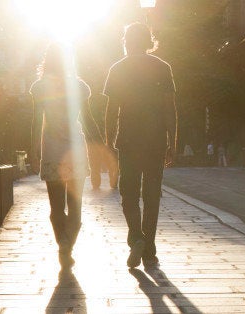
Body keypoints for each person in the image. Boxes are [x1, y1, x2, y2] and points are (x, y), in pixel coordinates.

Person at [104, 22, 177, 268]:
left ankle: (136, 236)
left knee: (129, 194)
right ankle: (149, 249)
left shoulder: (118, 69)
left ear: (126, 41)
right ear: (148, 41)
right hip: (155, 140)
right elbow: (170, 109)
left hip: (128, 139)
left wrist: (108, 140)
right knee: (152, 195)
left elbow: (111, 109)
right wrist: (172, 141)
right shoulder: (162, 67)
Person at [30, 43, 92, 269]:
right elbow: (86, 120)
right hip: (75, 150)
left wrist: (33, 148)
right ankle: (68, 245)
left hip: (52, 150)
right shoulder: (80, 87)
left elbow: (37, 121)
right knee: (75, 206)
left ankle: (62, 244)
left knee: (56, 207)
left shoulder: (39, 87)